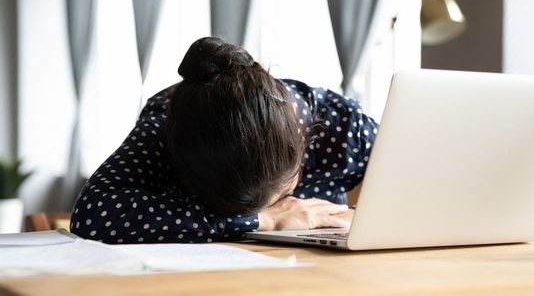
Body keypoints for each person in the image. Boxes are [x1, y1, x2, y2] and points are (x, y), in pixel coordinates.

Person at [70, 37, 378, 243]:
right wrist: (260, 221)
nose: (283, 203)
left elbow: (416, 166)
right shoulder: (165, 129)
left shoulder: (333, 123)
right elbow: (92, 215)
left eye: (285, 189)